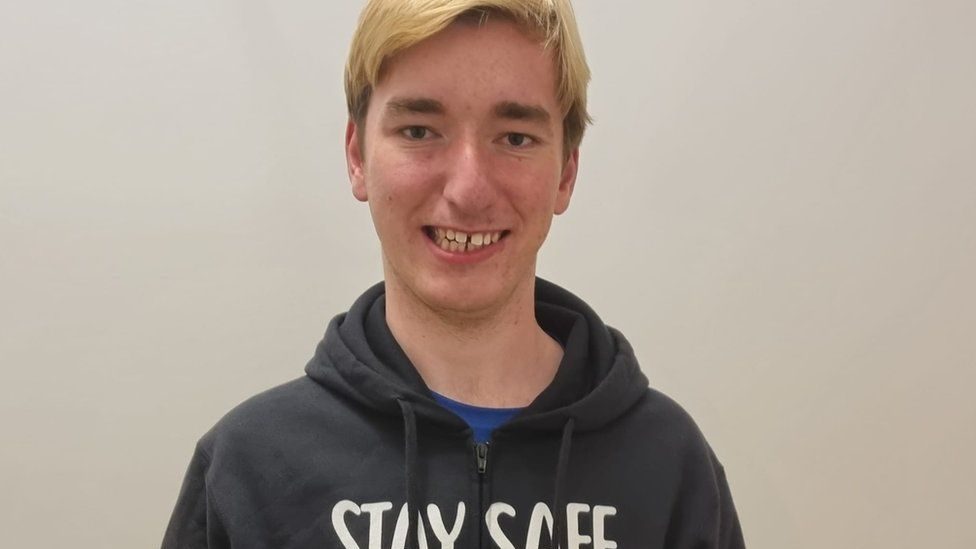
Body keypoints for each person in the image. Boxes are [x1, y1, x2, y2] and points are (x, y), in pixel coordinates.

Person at [162, 1, 745, 547]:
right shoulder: (250, 467)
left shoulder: (669, 467)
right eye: (419, 131)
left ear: (566, 173)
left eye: (515, 138)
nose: (468, 190)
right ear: (357, 156)